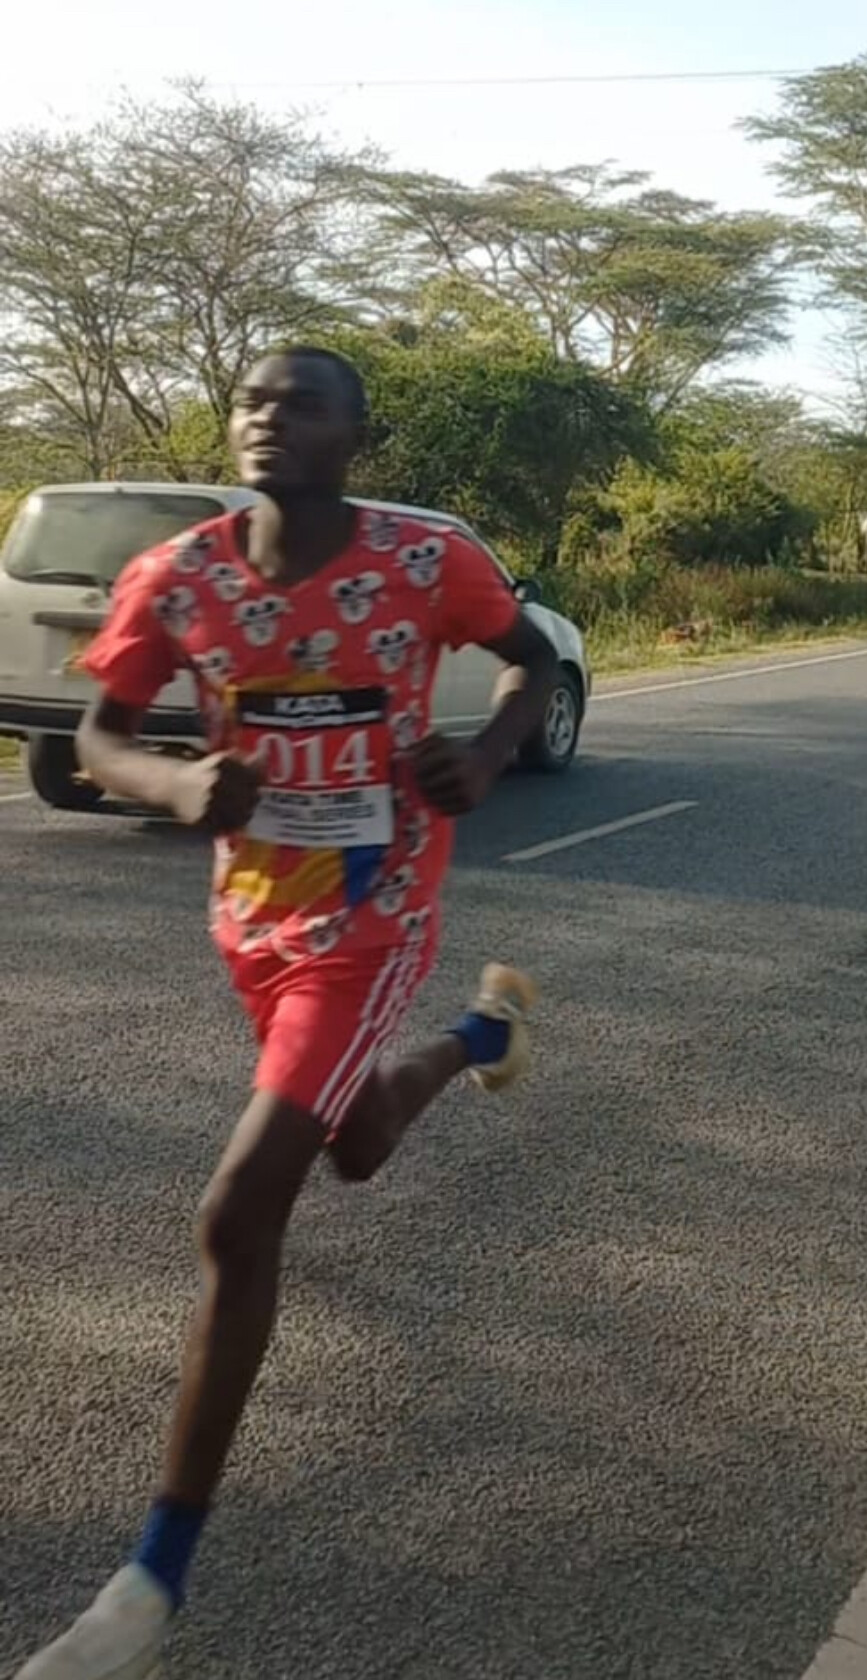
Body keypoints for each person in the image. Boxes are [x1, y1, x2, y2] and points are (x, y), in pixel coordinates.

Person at [16, 347, 560, 1680]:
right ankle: (481, 1037)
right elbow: (98, 737)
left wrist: (487, 754)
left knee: (238, 1211)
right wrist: (170, 785)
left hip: (374, 917)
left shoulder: (426, 562)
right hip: (252, 917)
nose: (269, 417)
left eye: (302, 402)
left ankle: (153, 1581)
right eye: (253, 400)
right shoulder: (179, 575)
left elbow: (529, 658)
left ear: (355, 436)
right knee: (356, 1145)